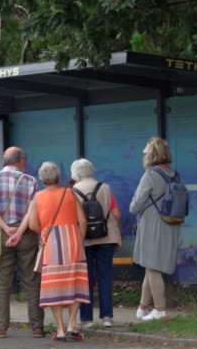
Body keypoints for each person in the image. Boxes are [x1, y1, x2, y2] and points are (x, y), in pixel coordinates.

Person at [23, 161, 89, 341]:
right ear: (58, 177)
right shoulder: (70, 193)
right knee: (75, 282)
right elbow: (83, 221)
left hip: (51, 242)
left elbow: (32, 224)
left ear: (42, 179)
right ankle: (72, 325)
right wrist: (80, 239)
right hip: (73, 240)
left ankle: (60, 330)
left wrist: (45, 232)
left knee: (54, 285)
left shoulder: (37, 198)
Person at [0, 147, 43, 338]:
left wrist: (5, 228)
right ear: (20, 160)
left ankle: (1, 328)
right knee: (31, 280)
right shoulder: (31, 181)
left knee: (2, 282)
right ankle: (37, 326)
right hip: (26, 234)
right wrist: (19, 231)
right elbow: (32, 211)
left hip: (1, 234)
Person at [129, 137, 181, 321]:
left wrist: (133, 207)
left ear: (151, 155)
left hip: (153, 224)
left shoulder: (151, 175)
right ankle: (143, 307)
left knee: (152, 267)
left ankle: (159, 309)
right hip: (170, 223)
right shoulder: (174, 174)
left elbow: (136, 204)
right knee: (150, 266)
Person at [71, 158, 122, 329]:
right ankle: (107, 317)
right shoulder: (105, 188)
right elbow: (116, 214)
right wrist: (115, 229)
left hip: (84, 240)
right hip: (106, 238)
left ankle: (86, 319)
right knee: (105, 276)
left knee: (86, 278)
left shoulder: (72, 191)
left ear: (75, 173)